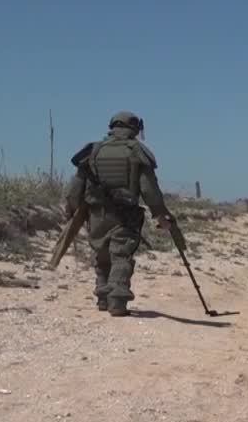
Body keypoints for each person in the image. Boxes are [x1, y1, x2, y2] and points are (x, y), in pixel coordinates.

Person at [64, 111, 175, 317]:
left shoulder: (94, 151)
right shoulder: (136, 151)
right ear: (134, 128)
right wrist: (160, 214)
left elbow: (76, 185)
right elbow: (149, 189)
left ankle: (103, 298)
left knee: (102, 255)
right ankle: (118, 299)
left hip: (96, 214)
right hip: (125, 215)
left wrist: (71, 209)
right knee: (121, 255)